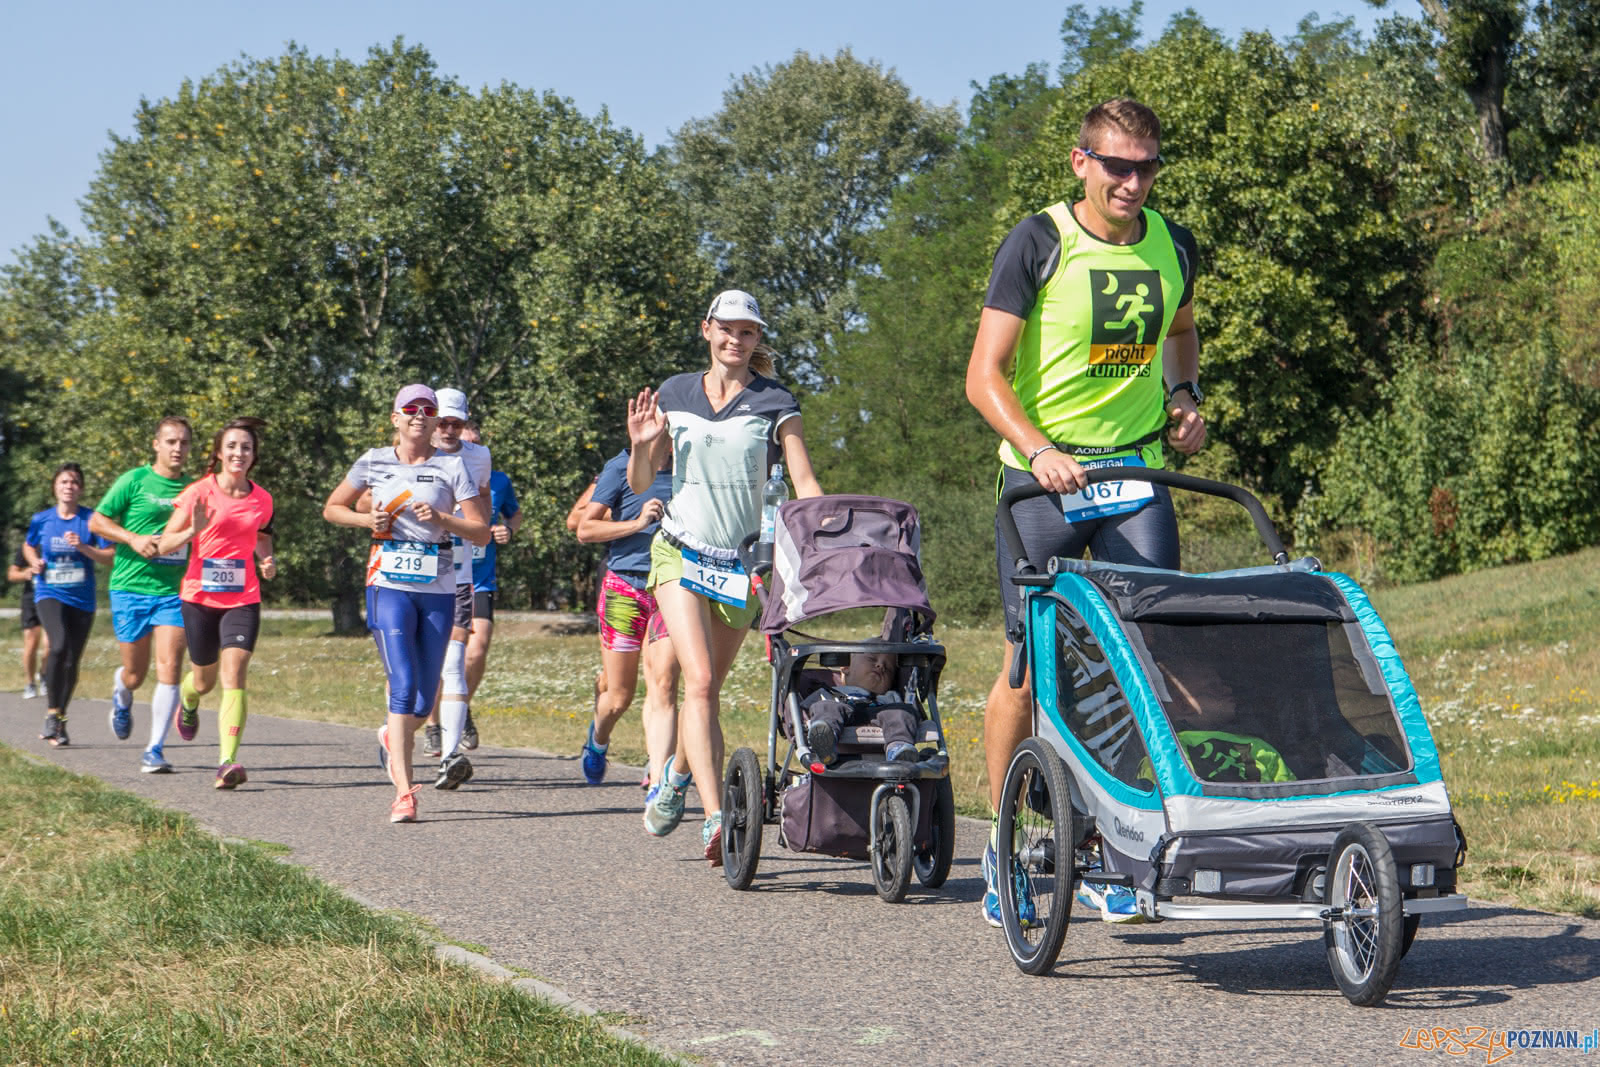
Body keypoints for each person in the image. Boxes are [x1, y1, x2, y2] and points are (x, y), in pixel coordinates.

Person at [964, 98, 1206, 927]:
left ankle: (1112, 847)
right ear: (1081, 163)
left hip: (1132, 472)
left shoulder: (1173, 244)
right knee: (1028, 668)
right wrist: (1038, 449)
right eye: (1117, 166)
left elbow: (1180, 330)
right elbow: (984, 376)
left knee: (1142, 658)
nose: (1132, 183)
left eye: (1147, 167)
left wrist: (1184, 394)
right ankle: (1003, 846)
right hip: (1042, 483)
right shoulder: (1039, 241)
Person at [627, 289, 822, 864]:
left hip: (742, 564)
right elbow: (641, 482)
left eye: (748, 331)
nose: (736, 340)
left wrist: (826, 536)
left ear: (757, 339)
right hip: (681, 552)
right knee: (701, 680)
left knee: (706, 692)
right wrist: (641, 446)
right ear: (707, 330)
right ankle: (716, 819)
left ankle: (676, 776)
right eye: (727, 329)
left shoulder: (775, 401)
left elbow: (804, 480)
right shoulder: (675, 393)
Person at [323, 384, 487, 822]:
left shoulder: (452, 466)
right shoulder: (373, 460)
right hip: (387, 585)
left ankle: (392, 735)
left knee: (422, 700)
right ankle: (404, 793)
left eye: (427, 409)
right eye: (410, 409)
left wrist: (444, 518)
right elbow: (332, 508)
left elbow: (481, 531)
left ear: (435, 420)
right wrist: (364, 519)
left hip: (438, 588)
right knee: (402, 683)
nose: (419, 415)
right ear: (395, 418)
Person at [156, 418, 276, 789]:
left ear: (253, 455)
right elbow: (163, 544)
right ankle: (189, 700)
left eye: (246, 447)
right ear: (219, 453)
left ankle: (227, 762)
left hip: (244, 598)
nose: (239, 453)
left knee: (234, 673)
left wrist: (267, 559)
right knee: (204, 681)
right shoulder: (198, 493)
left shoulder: (263, 499)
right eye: (232, 446)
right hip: (200, 599)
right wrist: (193, 530)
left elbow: (263, 535)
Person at [89, 415, 193, 772]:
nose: (177, 448)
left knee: (170, 667)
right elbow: (97, 521)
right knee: (136, 674)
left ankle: (154, 749)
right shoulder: (134, 480)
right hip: (130, 588)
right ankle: (122, 692)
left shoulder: (194, 489)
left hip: (173, 591)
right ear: (156, 444)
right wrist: (132, 538)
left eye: (184, 442)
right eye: (171, 441)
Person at [575, 446, 680, 789]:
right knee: (619, 697)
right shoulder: (620, 467)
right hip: (625, 588)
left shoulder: (691, 468)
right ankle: (598, 739)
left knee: (663, 684)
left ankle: (657, 770)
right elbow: (584, 529)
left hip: (670, 588)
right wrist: (637, 523)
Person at [421, 388, 492, 764]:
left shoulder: (479, 456)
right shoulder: (410, 452)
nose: (449, 430)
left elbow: (484, 498)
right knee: (418, 661)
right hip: (413, 566)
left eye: (457, 424)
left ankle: (450, 756)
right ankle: (405, 727)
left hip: (460, 563)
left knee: (455, 658)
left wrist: (481, 529)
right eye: (443, 423)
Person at [25, 463, 114, 746]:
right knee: (58, 645)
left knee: (72, 659)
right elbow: (28, 545)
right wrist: (34, 561)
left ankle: (60, 718)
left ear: (82, 489)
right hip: (49, 591)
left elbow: (110, 556)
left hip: (82, 598)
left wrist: (83, 547)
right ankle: (52, 712)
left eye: (74, 482)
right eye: (63, 481)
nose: (69, 486)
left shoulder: (92, 520)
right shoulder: (42, 519)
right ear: (55, 486)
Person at [459, 424, 522, 717]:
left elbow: (514, 515)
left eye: (476, 442)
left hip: (480, 580)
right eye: (465, 442)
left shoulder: (498, 481)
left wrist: (508, 530)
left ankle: (460, 709)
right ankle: (438, 715)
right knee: (446, 654)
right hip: (443, 578)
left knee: (476, 650)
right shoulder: (440, 474)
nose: (471, 447)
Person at [802, 651, 919, 765]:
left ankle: (898, 748)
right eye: (872, 659)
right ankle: (826, 741)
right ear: (846, 667)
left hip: (878, 713)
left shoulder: (890, 696)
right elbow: (804, 711)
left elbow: (905, 717)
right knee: (824, 707)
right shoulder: (827, 692)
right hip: (839, 714)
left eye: (888, 669)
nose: (881, 666)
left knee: (901, 711)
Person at [8, 547, 49, 700]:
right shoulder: (27, 547)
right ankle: (30, 683)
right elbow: (12, 574)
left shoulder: (55, 543)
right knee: (31, 644)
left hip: (52, 598)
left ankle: (44, 674)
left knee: (51, 644)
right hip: (31, 599)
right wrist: (25, 574)